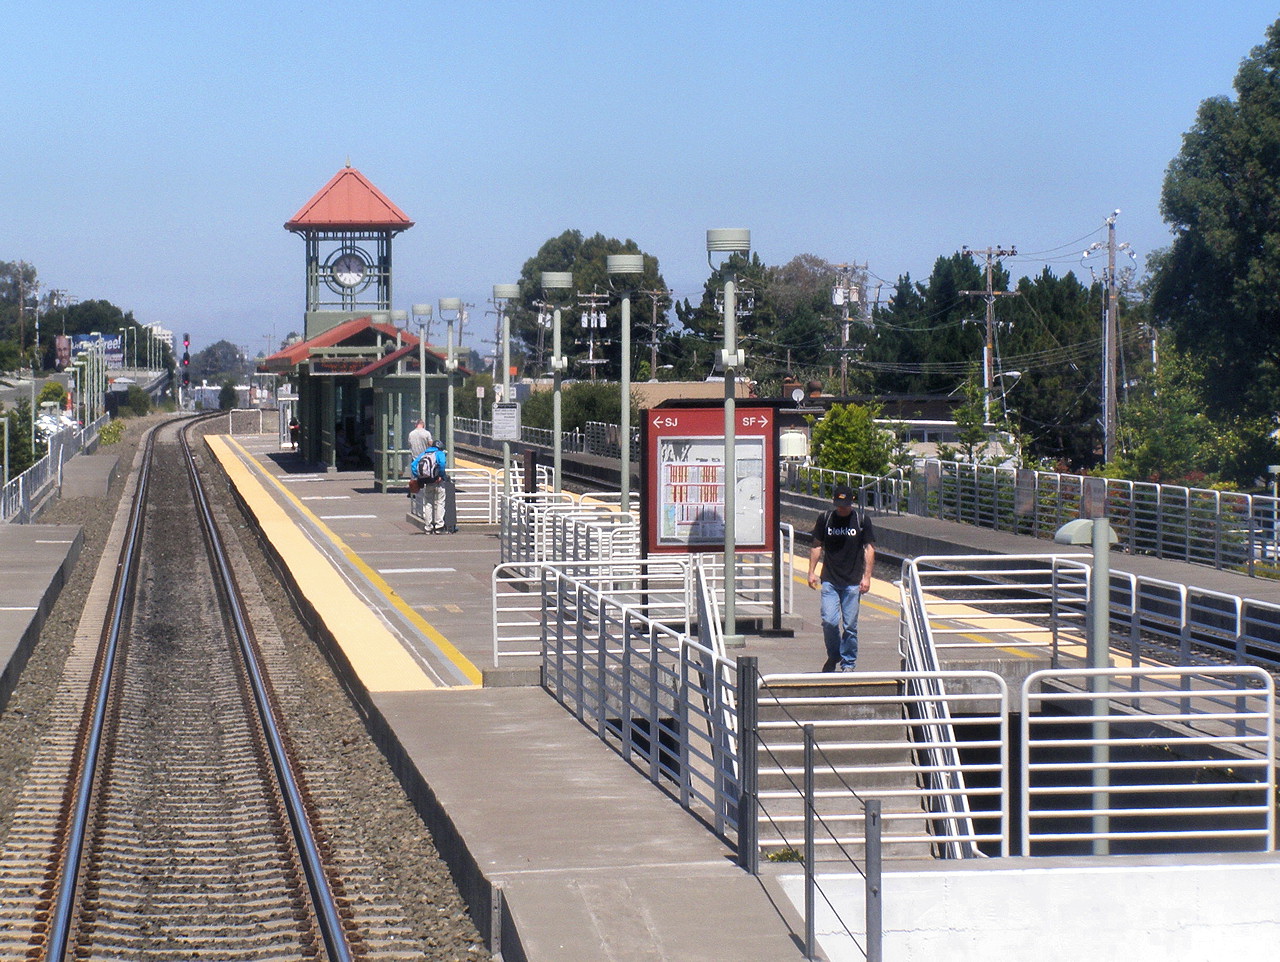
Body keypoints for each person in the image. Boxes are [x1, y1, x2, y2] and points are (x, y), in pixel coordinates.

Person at [807, 484, 876, 672]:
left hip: (852, 582)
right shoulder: (826, 519)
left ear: (852, 502)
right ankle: (834, 654)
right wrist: (811, 571)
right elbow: (816, 545)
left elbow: (869, 549)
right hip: (829, 579)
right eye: (838, 504)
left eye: (844, 504)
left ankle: (848, 663)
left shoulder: (862, 521)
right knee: (829, 621)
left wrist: (867, 577)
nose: (841, 508)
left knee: (850, 626)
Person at [409, 440, 448, 533]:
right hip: (438, 482)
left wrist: (419, 477)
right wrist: (441, 475)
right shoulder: (439, 453)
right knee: (440, 503)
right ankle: (439, 526)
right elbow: (442, 463)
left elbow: (413, 465)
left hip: (427, 482)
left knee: (428, 503)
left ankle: (428, 527)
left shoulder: (424, 454)